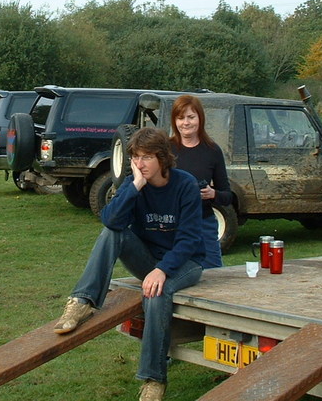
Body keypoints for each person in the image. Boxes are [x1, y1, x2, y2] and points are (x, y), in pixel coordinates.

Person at [53, 127, 205, 401]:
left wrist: (162, 270)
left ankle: (153, 380)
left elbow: (190, 239)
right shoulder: (133, 183)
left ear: (162, 158)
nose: (139, 163)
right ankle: (83, 301)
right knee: (112, 233)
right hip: (148, 260)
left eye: (146, 157)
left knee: (156, 295)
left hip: (185, 263)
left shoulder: (186, 185)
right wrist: (135, 186)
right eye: (135, 157)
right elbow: (110, 220)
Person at [170, 94, 234, 268]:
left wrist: (213, 194)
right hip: (172, 225)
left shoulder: (212, 151)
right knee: (173, 272)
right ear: (174, 121)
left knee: (213, 274)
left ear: (200, 118)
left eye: (191, 117)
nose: (186, 123)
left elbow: (227, 196)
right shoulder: (167, 149)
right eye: (180, 118)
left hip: (203, 223)